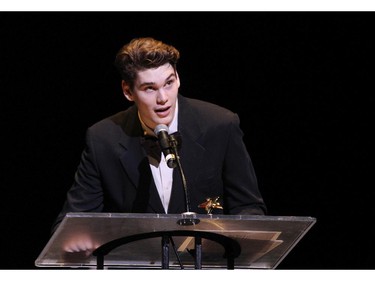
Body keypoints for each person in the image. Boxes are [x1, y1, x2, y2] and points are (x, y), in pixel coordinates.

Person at [52, 37, 267, 235]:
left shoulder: (220, 125)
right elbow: (71, 223)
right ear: (128, 91)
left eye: (168, 83)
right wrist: (77, 238)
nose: (163, 98)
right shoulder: (102, 138)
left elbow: (249, 208)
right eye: (149, 88)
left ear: (178, 78)